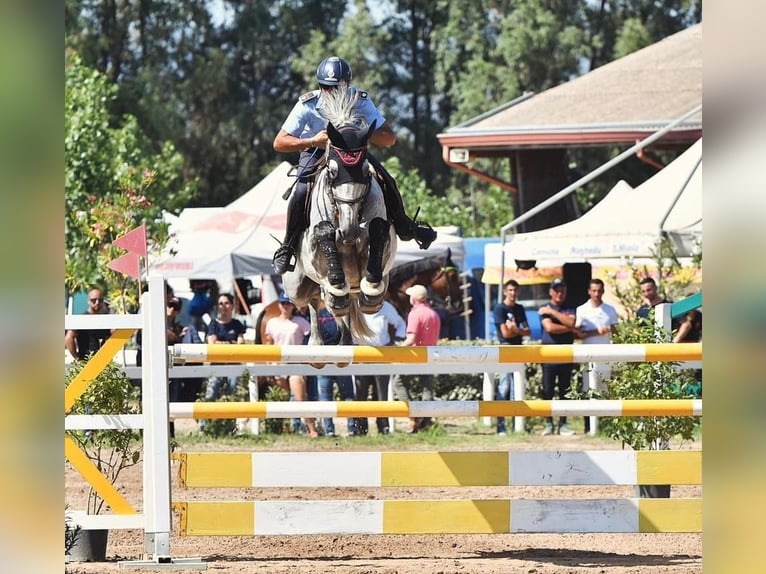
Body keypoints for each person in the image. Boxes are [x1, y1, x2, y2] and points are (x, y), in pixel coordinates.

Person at [271, 55, 436, 275]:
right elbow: (279, 142)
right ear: (320, 86)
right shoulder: (308, 103)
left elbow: (390, 138)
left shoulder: (360, 100)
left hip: (352, 152)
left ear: (346, 85)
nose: (332, 92)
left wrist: (365, 135)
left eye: (337, 87)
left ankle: (405, 226)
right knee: (301, 191)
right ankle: (288, 245)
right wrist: (312, 141)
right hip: (316, 151)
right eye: (326, 87)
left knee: (386, 179)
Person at [264, 293, 318, 438]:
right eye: (283, 303)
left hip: (296, 363)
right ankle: (291, 426)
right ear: (279, 305)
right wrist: (269, 365)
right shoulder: (272, 322)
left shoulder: (300, 322)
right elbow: (269, 344)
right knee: (287, 397)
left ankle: (312, 429)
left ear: (292, 305)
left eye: (288, 304)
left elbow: (311, 337)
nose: (285, 306)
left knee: (300, 397)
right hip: (278, 364)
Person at [390, 285, 441, 433]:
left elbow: (411, 338)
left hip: (415, 355)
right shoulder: (434, 314)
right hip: (431, 355)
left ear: (414, 298)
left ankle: (413, 415)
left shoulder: (414, 314)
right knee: (427, 387)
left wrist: (399, 348)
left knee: (398, 383)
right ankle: (425, 421)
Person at [352, 299, 407, 435]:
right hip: (361, 356)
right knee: (361, 394)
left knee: (381, 394)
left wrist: (396, 341)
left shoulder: (386, 306)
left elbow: (400, 324)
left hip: (382, 355)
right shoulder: (355, 305)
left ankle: (383, 427)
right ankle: (360, 428)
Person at [575, 279, 619, 434]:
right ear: (589, 291)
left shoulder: (610, 310)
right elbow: (578, 333)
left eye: (599, 291)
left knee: (604, 389)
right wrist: (596, 332)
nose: (597, 294)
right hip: (587, 356)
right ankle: (589, 426)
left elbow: (616, 332)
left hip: (606, 355)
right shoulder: (581, 310)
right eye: (594, 291)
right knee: (588, 389)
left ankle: (606, 425)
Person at [538, 278, 578, 436]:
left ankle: (563, 423)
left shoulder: (569, 308)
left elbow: (572, 322)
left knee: (565, 391)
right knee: (547, 391)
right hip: (548, 356)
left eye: (562, 290)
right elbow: (549, 327)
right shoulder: (543, 308)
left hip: (566, 355)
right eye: (556, 290)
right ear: (551, 292)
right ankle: (548, 423)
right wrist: (568, 327)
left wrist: (553, 313)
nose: (559, 293)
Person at [492, 279, 530, 436]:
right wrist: (517, 330)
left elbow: (528, 331)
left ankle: (517, 424)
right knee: (504, 385)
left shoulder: (520, 308)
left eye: (515, 290)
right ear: (505, 292)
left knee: (517, 387)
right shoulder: (499, 309)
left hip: (518, 348)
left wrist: (515, 329)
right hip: (506, 349)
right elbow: (505, 334)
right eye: (510, 290)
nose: (513, 293)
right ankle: (501, 425)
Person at [314, 303, 357, 437]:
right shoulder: (342, 313)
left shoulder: (319, 315)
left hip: (330, 361)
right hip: (336, 361)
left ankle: (332, 429)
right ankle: (348, 428)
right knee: (344, 396)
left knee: (328, 397)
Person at [204, 293, 246, 401]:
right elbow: (212, 343)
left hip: (234, 364)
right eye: (221, 304)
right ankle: (204, 418)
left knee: (233, 393)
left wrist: (221, 343)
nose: (224, 306)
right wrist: (231, 343)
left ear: (232, 305)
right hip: (217, 364)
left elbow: (241, 344)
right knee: (211, 394)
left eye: (227, 303)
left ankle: (231, 418)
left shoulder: (237, 324)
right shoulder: (213, 324)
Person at [65, 287, 113, 361]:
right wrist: (77, 357)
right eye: (94, 300)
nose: (97, 302)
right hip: (86, 362)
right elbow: (68, 338)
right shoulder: (82, 319)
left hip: (103, 361)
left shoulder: (106, 319)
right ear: (88, 301)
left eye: (100, 300)